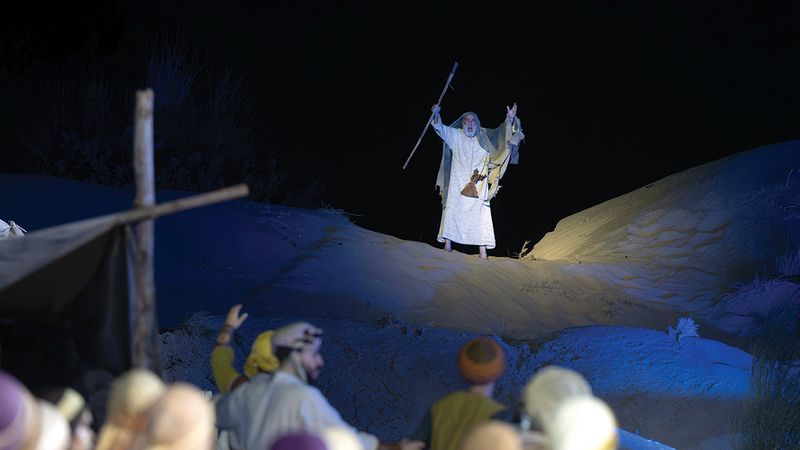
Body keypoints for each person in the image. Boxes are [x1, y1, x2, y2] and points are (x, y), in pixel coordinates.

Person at [215, 320, 423, 450]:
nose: (320, 361)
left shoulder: (245, 391)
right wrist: (398, 447)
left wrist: (226, 332)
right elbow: (349, 442)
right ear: (293, 357)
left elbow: (221, 371)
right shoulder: (302, 397)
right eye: (313, 354)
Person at [430, 102, 524, 259]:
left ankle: (483, 252)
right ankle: (447, 245)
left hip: (479, 186)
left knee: (481, 215)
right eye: (466, 121)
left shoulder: (484, 137)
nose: (470, 124)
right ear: (462, 123)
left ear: (477, 123)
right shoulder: (455, 135)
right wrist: (436, 114)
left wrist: (510, 120)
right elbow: (440, 128)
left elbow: (503, 137)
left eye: (473, 121)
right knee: (453, 209)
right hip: (457, 184)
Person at [411, 336, 513, 450]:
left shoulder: (439, 407)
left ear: (461, 368)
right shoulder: (500, 415)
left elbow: (414, 445)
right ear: (500, 370)